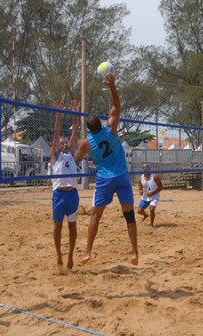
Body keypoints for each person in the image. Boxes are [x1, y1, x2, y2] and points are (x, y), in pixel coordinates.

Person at [75, 72, 139, 266]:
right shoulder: (111, 127)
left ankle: (87, 252)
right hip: (122, 176)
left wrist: (88, 155)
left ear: (88, 129)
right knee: (129, 214)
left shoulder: (86, 143)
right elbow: (117, 107)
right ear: (101, 124)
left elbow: (77, 158)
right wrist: (112, 87)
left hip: (104, 179)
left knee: (96, 215)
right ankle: (135, 252)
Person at [49, 99, 80, 271]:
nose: (64, 144)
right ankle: (59, 253)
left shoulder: (71, 154)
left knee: (72, 226)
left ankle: (70, 254)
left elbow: (74, 133)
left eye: (65, 142)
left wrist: (75, 115)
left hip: (72, 195)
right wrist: (58, 116)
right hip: (59, 195)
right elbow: (55, 136)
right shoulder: (55, 156)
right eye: (61, 143)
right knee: (57, 226)